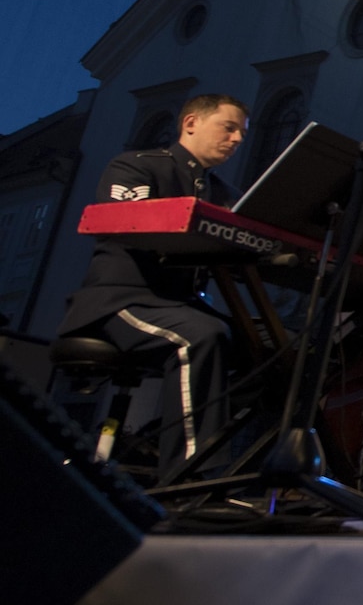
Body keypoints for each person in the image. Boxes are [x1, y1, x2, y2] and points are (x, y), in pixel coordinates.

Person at [59, 94, 248, 475]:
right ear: (191, 123)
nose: (238, 139)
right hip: (121, 300)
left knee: (278, 349)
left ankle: (158, 440)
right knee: (202, 335)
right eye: (229, 128)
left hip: (179, 306)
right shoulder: (136, 166)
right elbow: (128, 223)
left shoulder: (223, 194)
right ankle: (193, 479)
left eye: (242, 133)